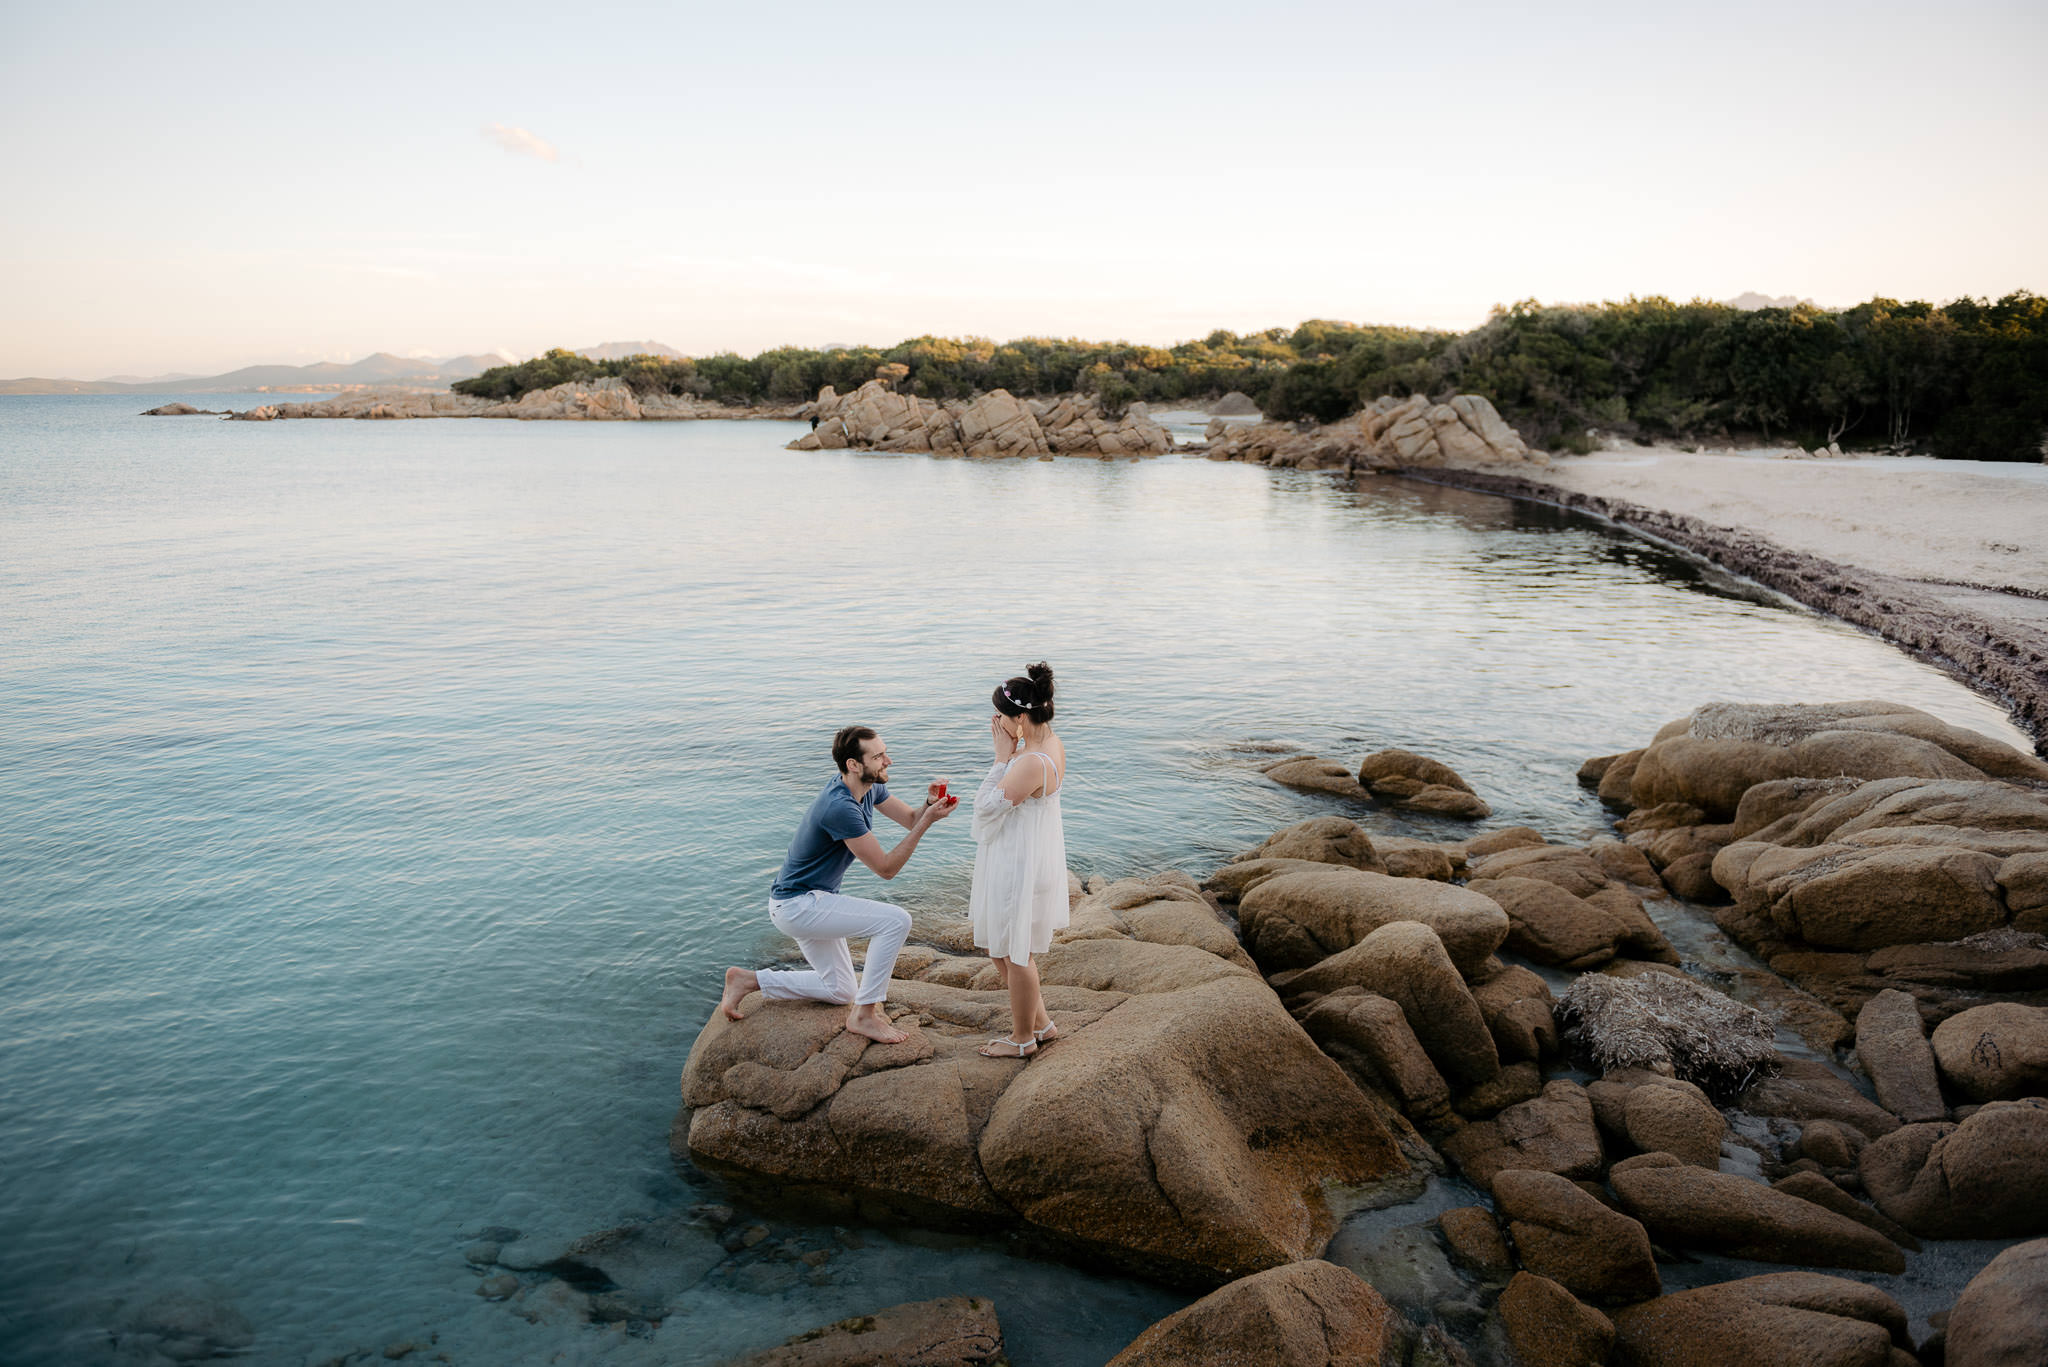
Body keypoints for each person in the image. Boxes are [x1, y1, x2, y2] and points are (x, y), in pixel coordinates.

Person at [719, 726, 955, 1045]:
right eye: (879, 756)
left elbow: (911, 819)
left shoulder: (868, 788)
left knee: (841, 990)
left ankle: (748, 980)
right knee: (896, 921)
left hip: (806, 902)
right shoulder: (840, 807)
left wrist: (928, 804)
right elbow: (886, 869)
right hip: (799, 905)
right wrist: (927, 822)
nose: (888, 761)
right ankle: (864, 1016)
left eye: (885, 753)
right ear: (853, 765)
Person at [969, 662, 1068, 1058]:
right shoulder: (1049, 744)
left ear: (1021, 718)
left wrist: (999, 758)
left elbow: (984, 808)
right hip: (1025, 856)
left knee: (1014, 951)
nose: (996, 723)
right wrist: (1011, 752)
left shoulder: (1029, 761)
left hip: (1019, 866)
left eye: (1001, 716)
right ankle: (1042, 1024)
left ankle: (1023, 1038)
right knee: (1001, 947)